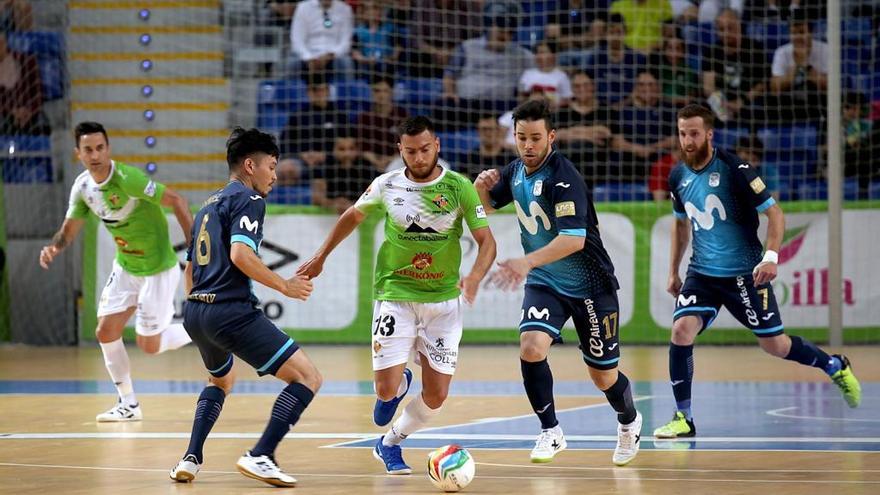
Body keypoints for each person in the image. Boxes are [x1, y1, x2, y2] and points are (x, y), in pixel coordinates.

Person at [297, 116, 496, 474]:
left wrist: (476, 276)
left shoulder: (458, 186)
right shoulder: (386, 184)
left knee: (436, 397)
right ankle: (399, 382)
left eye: (424, 149)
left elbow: (487, 241)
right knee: (386, 392)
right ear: (399, 151)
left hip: (443, 305)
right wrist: (320, 256)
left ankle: (389, 443)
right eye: (410, 151)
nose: (418, 158)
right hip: (396, 295)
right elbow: (352, 216)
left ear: (436, 145)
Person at [653, 104, 862, 439]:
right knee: (680, 331)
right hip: (702, 274)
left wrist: (771, 257)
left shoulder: (735, 167)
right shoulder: (678, 175)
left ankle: (834, 365)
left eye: (694, 133)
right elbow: (681, 227)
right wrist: (673, 271)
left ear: (709, 133)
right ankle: (683, 417)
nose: (687, 140)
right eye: (682, 133)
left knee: (775, 346)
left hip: (744, 275)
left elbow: (775, 214)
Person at [473, 100, 642, 466]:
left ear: (551, 136)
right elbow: (485, 207)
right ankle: (550, 431)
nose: (528, 146)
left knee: (603, 375)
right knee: (531, 346)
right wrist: (480, 187)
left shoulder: (564, 177)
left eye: (536, 138)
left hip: (590, 285)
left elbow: (573, 239)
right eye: (521, 138)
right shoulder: (515, 171)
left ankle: (629, 421)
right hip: (546, 280)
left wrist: (524, 261)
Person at [169, 128, 321, 487]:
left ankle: (191, 457)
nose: (275, 175)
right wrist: (284, 285)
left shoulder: (207, 206)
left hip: (195, 311)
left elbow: (190, 267)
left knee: (220, 379)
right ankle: (261, 454)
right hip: (229, 312)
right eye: (271, 166)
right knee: (308, 377)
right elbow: (240, 254)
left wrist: (198, 304)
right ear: (250, 165)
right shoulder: (250, 200)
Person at [39, 122, 194, 421]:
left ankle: (208, 330)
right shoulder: (83, 188)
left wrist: (193, 250)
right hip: (126, 266)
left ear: (108, 149)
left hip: (157, 270)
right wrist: (55, 248)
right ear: (78, 154)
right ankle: (128, 404)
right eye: (88, 149)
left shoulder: (128, 179)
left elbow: (177, 200)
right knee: (105, 330)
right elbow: (69, 229)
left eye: (100, 148)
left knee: (149, 345)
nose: (95, 154)